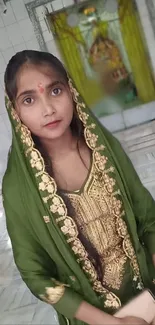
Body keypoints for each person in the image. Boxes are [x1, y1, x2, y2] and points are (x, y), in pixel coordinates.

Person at [2, 50, 155, 325]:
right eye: (29, 99)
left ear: (71, 91)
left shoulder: (104, 151)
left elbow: (149, 219)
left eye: (56, 90)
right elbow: (37, 277)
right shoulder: (17, 189)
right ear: (15, 111)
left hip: (148, 292)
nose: (48, 108)